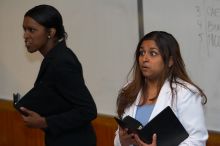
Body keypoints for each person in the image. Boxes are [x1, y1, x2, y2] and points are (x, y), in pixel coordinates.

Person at [18, 4, 97, 146]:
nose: (25, 35)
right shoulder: (54, 57)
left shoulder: (61, 62)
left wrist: (44, 122)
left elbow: (88, 110)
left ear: (51, 32)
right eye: (24, 29)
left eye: (32, 30)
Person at [114, 31, 208, 146]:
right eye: (141, 53)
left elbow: (197, 141)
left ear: (170, 60)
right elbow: (119, 136)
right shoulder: (130, 89)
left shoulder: (186, 93)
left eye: (153, 53)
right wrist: (122, 141)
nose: (144, 58)